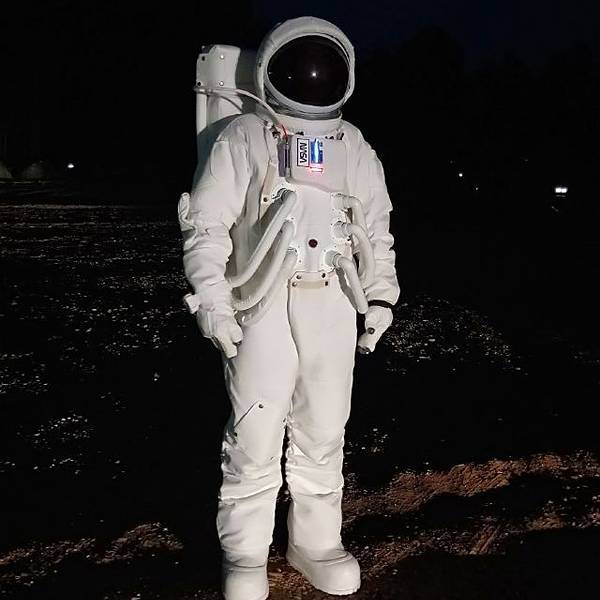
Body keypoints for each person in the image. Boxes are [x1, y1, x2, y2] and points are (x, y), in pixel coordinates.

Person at [177, 16, 400, 600]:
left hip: (334, 300)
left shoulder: (353, 146)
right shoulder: (245, 136)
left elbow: (376, 230)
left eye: (322, 68)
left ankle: (316, 543)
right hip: (262, 302)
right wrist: (212, 300)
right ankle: (245, 554)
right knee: (255, 430)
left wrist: (380, 295)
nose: (312, 78)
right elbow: (206, 226)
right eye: (301, 67)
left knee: (324, 428)